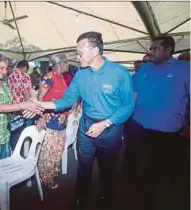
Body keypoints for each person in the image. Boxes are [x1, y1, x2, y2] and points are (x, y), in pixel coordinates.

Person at [26, 31, 134, 209]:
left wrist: (106, 123)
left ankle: (104, 197)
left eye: (79, 52)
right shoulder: (81, 75)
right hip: (86, 126)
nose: (77, 57)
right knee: (84, 166)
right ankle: (80, 198)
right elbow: (67, 99)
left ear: (95, 51)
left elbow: (128, 105)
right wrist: (41, 105)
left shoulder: (120, 73)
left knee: (107, 168)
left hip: (110, 129)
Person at [123, 35, 190, 210]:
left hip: (167, 130)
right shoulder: (145, 69)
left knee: (159, 169)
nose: (151, 51)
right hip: (139, 125)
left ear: (169, 50)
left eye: (155, 48)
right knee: (135, 164)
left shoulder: (185, 69)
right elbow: (127, 89)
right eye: (151, 48)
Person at [0, 54, 43, 160]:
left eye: (6, 68)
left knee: (4, 165)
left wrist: (32, 109)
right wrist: (22, 105)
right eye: (1, 68)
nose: (5, 72)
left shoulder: (4, 85)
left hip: (5, 132)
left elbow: (11, 106)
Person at [36, 54, 69, 189]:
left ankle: (51, 173)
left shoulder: (61, 78)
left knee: (57, 149)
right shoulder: (50, 77)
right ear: (60, 64)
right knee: (49, 150)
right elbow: (39, 97)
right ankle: (46, 178)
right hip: (50, 120)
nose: (68, 65)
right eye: (66, 62)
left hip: (60, 120)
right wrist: (41, 116)